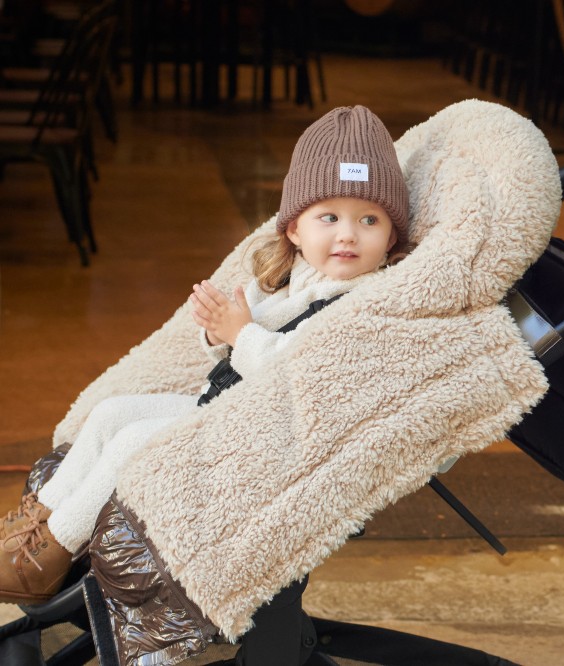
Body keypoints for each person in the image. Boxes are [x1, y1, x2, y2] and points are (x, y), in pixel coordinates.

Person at [0, 104, 409, 605]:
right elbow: (234, 340)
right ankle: (35, 525)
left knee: (134, 442)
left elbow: (298, 376)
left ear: (391, 235)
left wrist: (243, 334)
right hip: (222, 406)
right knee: (111, 413)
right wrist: (218, 330)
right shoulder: (290, 278)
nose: (347, 234)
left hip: (264, 438)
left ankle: (51, 555)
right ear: (295, 230)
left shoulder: (364, 303)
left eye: (369, 219)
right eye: (329, 217)